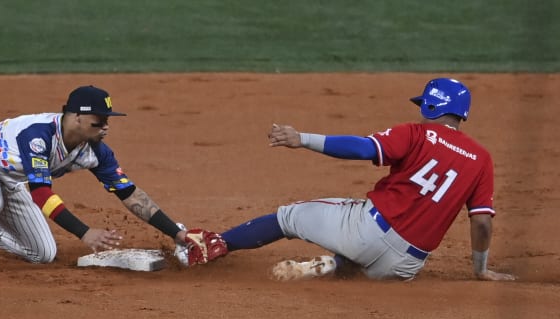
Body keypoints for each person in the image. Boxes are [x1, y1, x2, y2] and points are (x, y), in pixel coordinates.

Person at [191, 78, 516, 282]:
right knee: (363, 264)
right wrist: (480, 270)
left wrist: (302, 138)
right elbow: (483, 223)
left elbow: (363, 148)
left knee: (286, 217)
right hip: (403, 266)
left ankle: (214, 244)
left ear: (432, 105)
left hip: (367, 229)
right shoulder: (481, 159)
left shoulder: (416, 133)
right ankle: (331, 266)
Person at [0, 85, 211, 278]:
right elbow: (41, 193)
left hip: (4, 178)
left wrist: (177, 233)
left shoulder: (96, 152)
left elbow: (130, 194)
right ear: (76, 117)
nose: (105, 127)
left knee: (41, 252)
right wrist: (85, 232)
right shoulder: (39, 135)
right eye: (99, 121)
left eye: (107, 121)